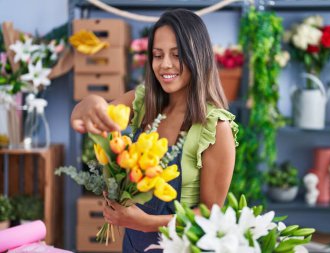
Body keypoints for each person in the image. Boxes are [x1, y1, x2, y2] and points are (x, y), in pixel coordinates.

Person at [71, 9, 238, 253]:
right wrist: (90, 103)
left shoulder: (215, 128)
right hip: (133, 246)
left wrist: (146, 223)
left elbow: (210, 216)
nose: (165, 64)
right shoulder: (143, 102)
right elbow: (89, 116)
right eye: (157, 55)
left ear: (197, 57)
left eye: (177, 55)